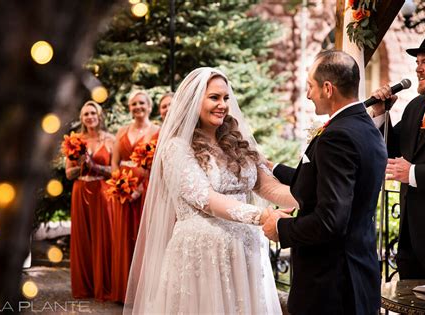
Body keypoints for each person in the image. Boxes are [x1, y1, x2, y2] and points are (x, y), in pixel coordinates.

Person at [124, 67, 297, 314]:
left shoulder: (235, 142)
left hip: (244, 253)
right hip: (202, 255)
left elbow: (266, 185)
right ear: (194, 101)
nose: (223, 105)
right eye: (214, 97)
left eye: (226, 98)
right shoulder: (176, 148)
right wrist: (262, 216)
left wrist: (316, 196)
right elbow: (206, 199)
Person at [263, 50, 387, 315]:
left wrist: (281, 228)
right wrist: (271, 166)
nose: (308, 94)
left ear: (328, 88)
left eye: (310, 86)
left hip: (331, 285)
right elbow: (318, 180)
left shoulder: (337, 136)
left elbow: (330, 220)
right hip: (359, 272)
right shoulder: (364, 126)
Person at [370, 29, 425, 279]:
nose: (418, 69)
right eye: (417, 62)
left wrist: (413, 173)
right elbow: (391, 149)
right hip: (410, 242)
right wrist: (381, 114)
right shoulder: (416, 106)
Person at [110, 90, 160, 303]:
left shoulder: (158, 130)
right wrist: (120, 185)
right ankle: (123, 290)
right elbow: (114, 161)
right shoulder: (121, 131)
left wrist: (139, 189)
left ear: (149, 107)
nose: (138, 107)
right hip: (123, 190)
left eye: (142, 103)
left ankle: (144, 291)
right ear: (129, 108)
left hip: (147, 189)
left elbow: (159, 163)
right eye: (134, 104)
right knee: (124, 236)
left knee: (146, 236)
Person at [65, 100, 115, 301]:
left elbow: (114, 170)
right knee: (83, 239)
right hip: (80, 190)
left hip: (102, 191)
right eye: (86, 114)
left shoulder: (111, 140)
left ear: (99, 115)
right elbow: (69, 174)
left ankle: (105, 285)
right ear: (82, 118)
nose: (90, 117)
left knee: (104, 237)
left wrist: (94, 166)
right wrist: (81, 166)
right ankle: (85, 286)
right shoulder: (75, 141)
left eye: (93, 113)